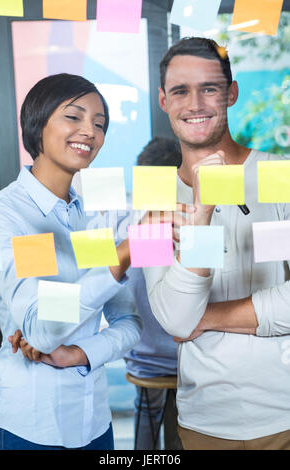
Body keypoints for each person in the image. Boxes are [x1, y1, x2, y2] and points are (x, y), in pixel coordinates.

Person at [142, 37, 290, 450]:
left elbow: (190, 320)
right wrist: (202, 214)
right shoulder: (152, 197)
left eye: (209, 88)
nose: (195, 103)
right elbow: (173, 319)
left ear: (231, 92)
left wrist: (206, 318)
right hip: (204, 420)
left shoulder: (281, 175)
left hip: (285, 412)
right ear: (163, 100)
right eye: (180, 90)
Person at [0, 73, 142, 450]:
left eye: (100, 123)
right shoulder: (8, 216)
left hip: (94, 423)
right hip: (29, 427)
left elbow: (129, 323)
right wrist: (118, 260)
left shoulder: (93, 218)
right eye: (74, 117)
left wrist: (81, 353)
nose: (89, 131)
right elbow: (41, 329)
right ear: (37, 123)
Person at [124, 137, 183, 450]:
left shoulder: (135, 229)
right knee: (185, 409)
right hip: (186, 360)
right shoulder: (190, 227)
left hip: (143, 359)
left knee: (147, 409)